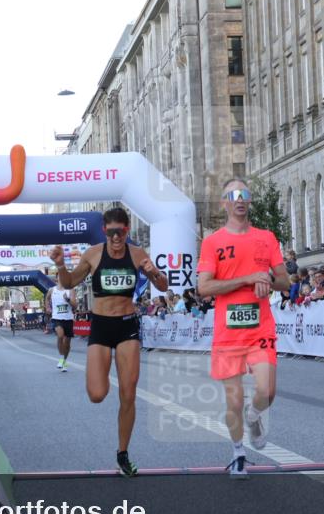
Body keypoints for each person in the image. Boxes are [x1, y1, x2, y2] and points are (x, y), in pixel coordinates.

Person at [50, 207, 168, 478]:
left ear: (127, 230)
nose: (116, 238)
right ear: (105, 231)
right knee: (97, 394)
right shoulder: (93, 254)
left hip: (127, 326)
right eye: (111, 232)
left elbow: (163, 286)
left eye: (121, 232)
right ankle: (120, 447)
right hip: (101, 327)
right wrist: (60, 265)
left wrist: (152, 272)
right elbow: (69, 283)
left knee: (128, 393)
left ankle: (123, 453)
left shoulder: (137, 254)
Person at [196, 178, 290, 478]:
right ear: (224, 202)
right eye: (232, 195)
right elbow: (204, 287)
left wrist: (266, 280)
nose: (239, 199)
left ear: (249, 201)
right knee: (233, 400)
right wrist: (248, 279)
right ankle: (238, 453)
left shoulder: (266, 237)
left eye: (244, 194)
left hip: (260, 328)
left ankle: (254, 416)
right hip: (228, 333)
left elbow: (285, 282)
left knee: (267, 390)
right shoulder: (213, 242)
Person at [49, 279, 78, 371]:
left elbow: (75, 306)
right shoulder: (52, 290)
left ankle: (64, 361)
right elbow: (46, 298)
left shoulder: (71, 290)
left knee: (67, 343)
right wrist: (47, 308)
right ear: (57, 279)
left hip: (68, 318)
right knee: (60, 335)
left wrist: (68, 299)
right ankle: (61, 359)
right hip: (57, 317)